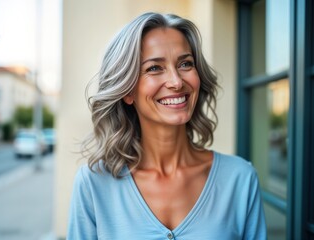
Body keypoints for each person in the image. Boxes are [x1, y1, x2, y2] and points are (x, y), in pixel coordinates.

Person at [67, 12, 266, 239]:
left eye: (185, 64)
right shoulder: (93, 184)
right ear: (127, 91)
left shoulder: (240, 179)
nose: (176, 81)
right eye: (154, 68)